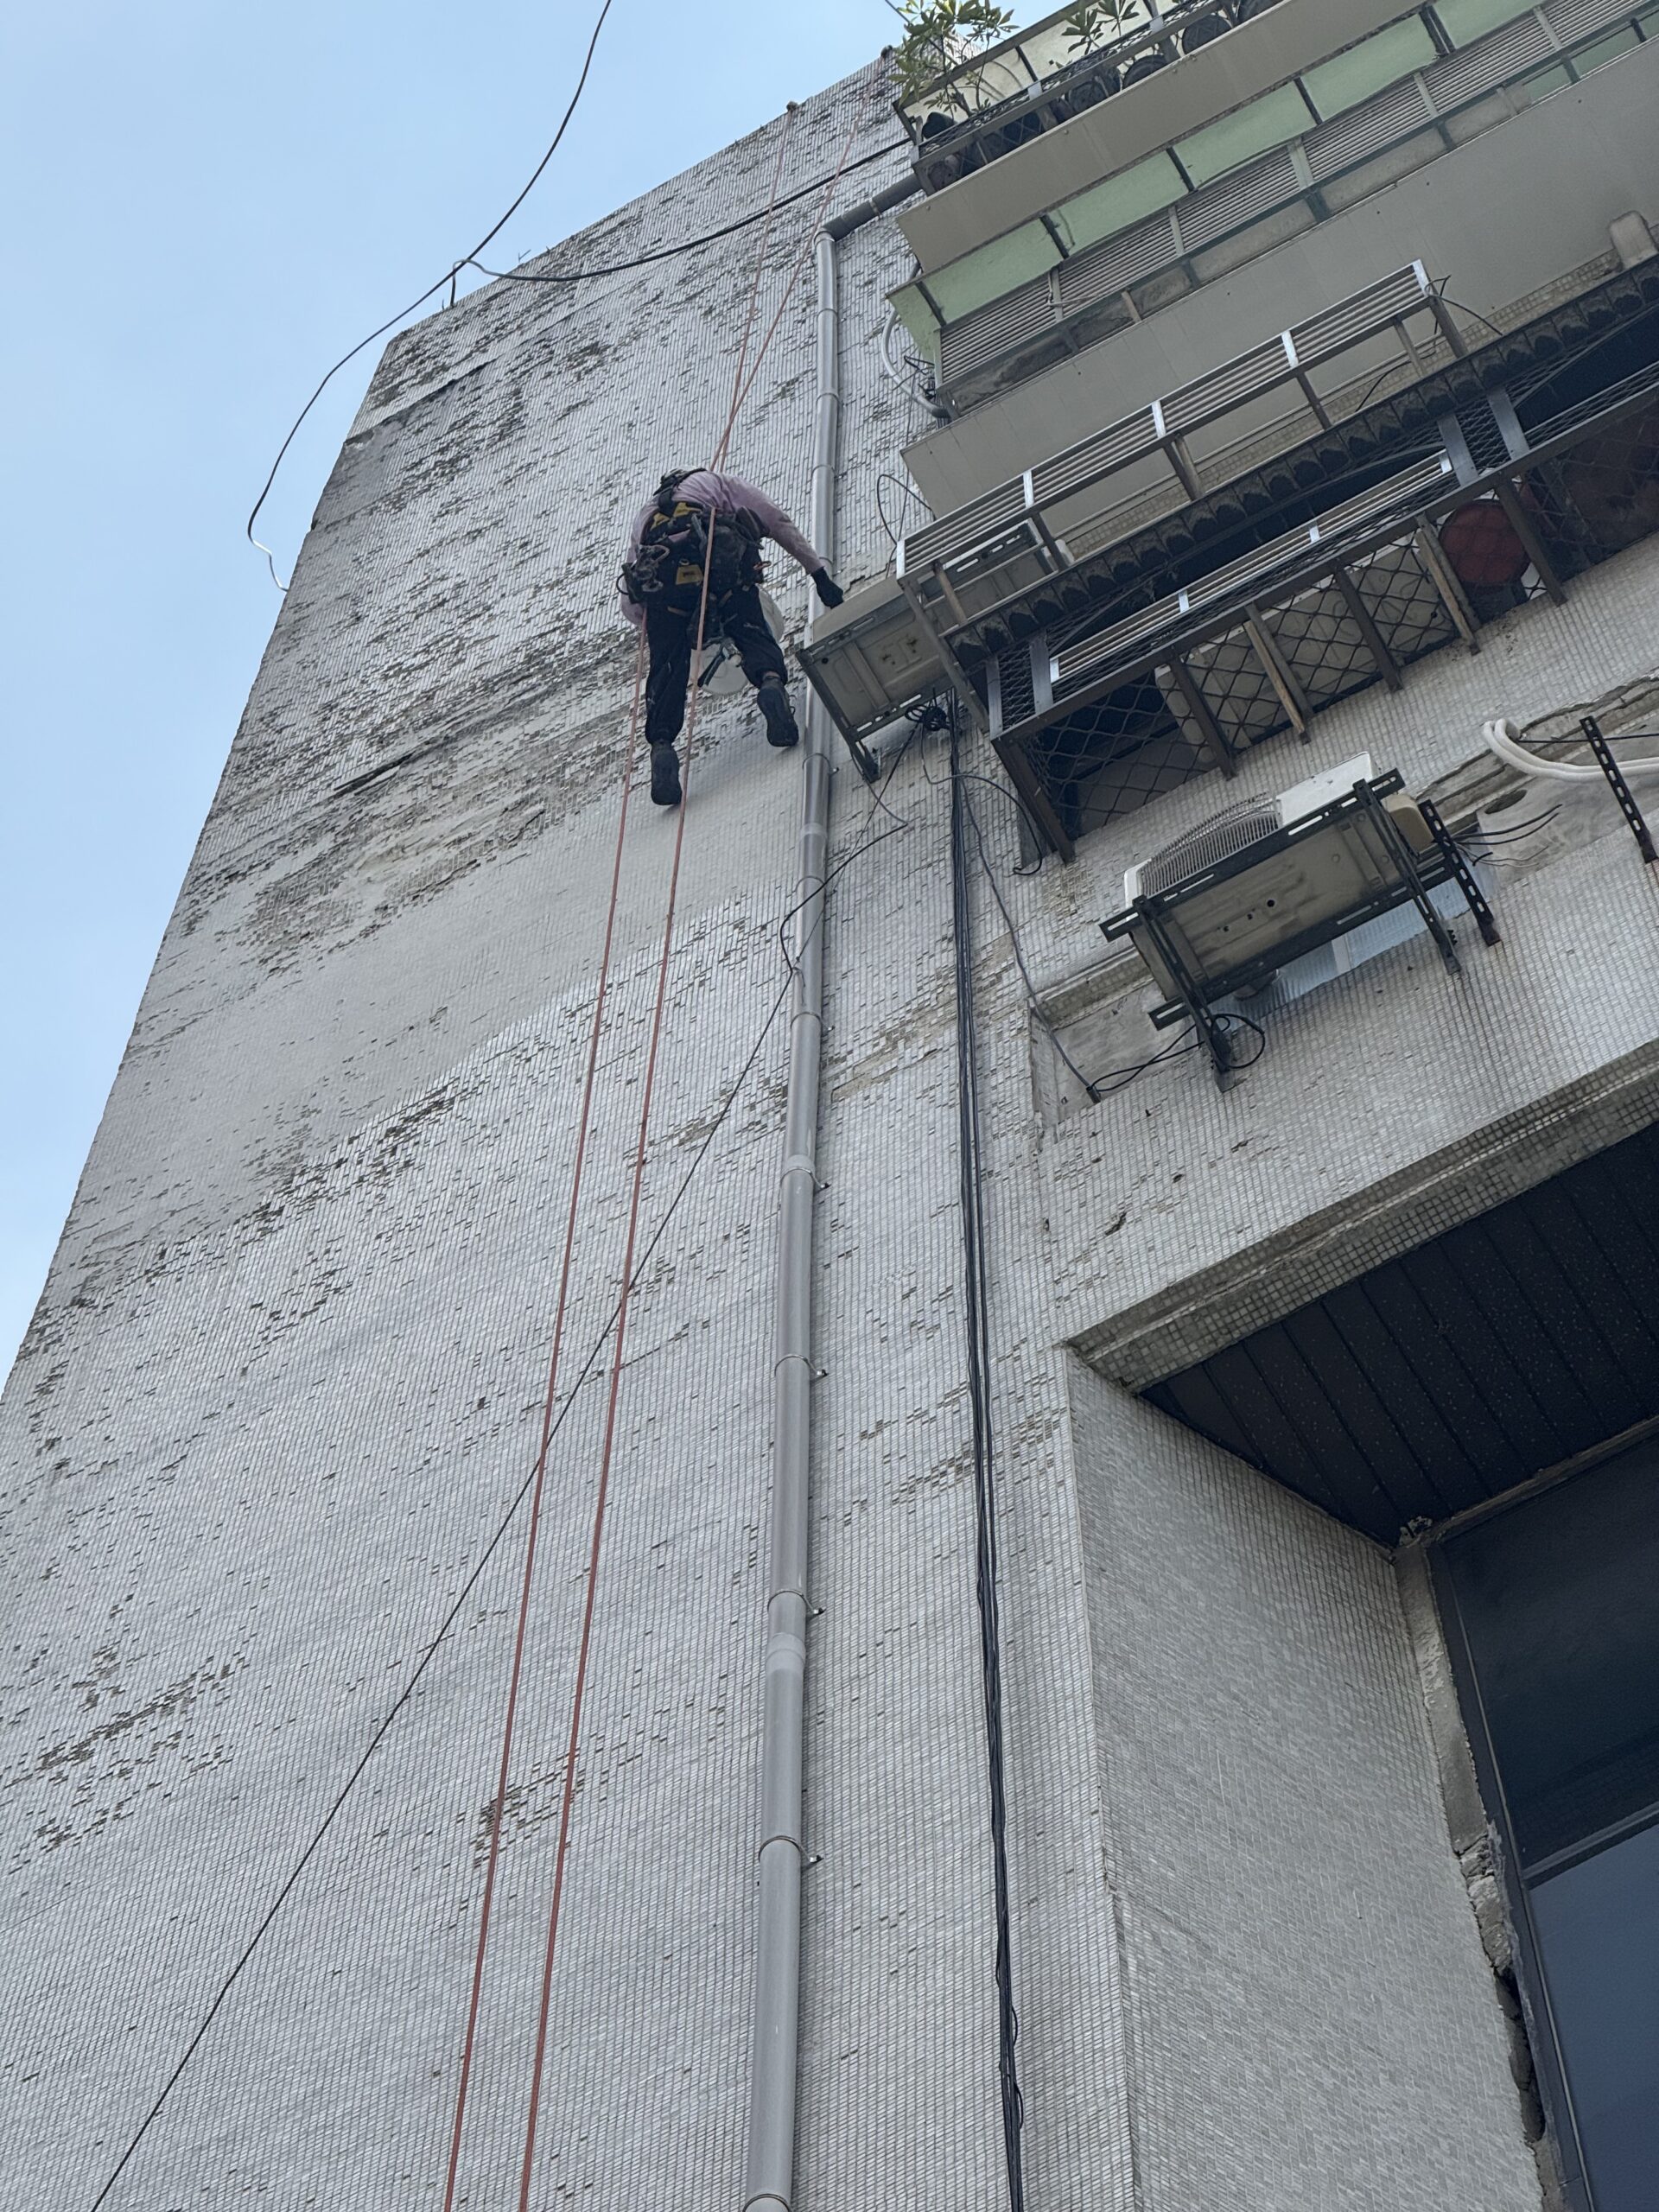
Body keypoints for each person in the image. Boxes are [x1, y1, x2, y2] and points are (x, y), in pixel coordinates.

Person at [620, 467, 844, 807]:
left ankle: (663, 747)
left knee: (667, 667)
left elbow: (631, 605)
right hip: (719, 562)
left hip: (665, 586)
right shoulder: (718, 484)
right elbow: (775, 521)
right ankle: (770, 684)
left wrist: (666, 625)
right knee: (747, 620)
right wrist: (818, 574)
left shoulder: (645, 518)